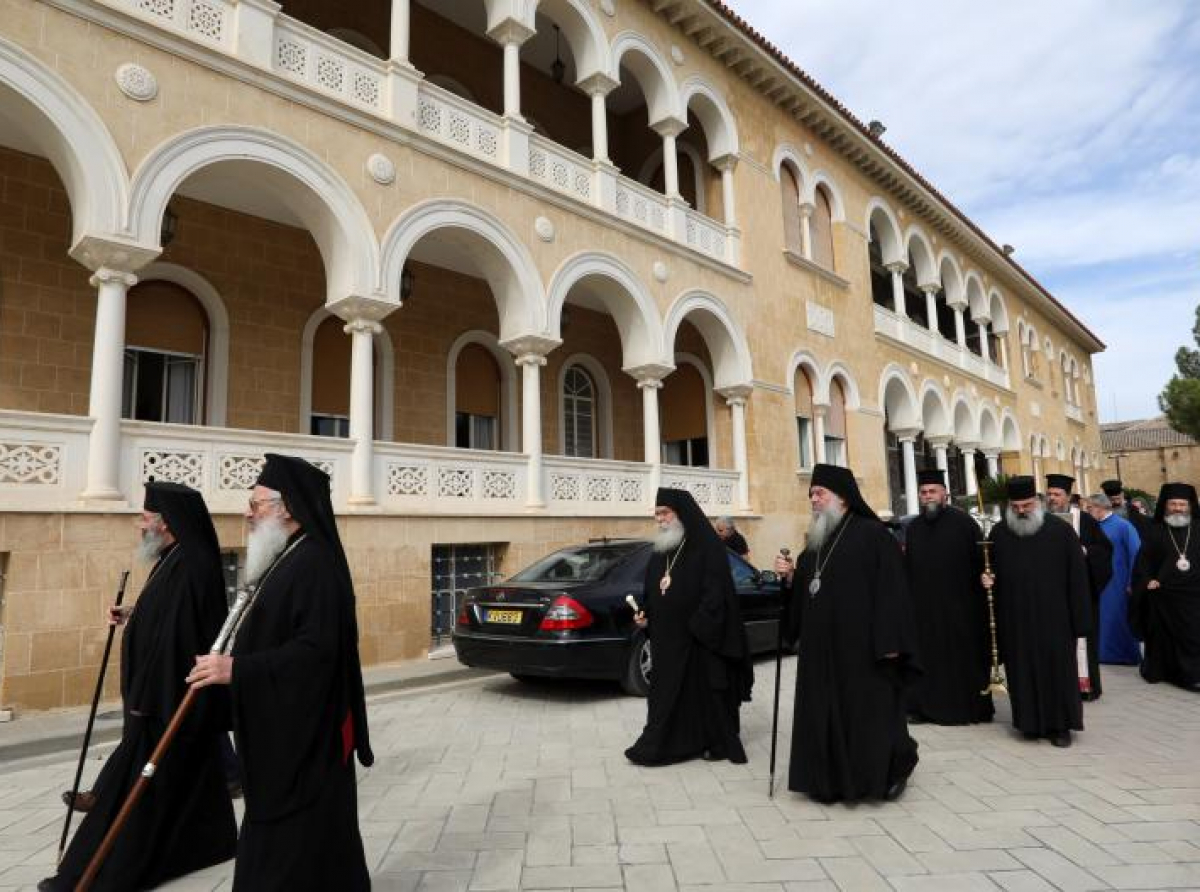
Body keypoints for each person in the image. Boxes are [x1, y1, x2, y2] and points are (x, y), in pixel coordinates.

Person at [187, 454, 373, 891]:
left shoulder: (316, 564)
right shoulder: (287, 555)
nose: (248, 513)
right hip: (282, 728)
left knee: (297, 841)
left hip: (306, 737)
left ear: (286, 507)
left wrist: (240, 669)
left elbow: (317, 654)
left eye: (256, 505)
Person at [42, 483, 237, 892]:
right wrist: (135, 612)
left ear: (167, 525)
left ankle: (98, 871)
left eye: (145, 519)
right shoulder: (173, 558)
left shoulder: (193, 563)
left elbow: (182, 638)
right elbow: (166, 617)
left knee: (140, 790)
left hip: (166, 701)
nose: (139, 526)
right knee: (191, 781)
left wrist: (148, 699)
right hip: (159, 698)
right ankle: (209, 844)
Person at [774, 463, 919, 802]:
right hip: (821, 654)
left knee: (870, 715)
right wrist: (790, 578)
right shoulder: (815, 543)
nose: (813, 500)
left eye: (819, 493)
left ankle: (888, 772)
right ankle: (829, 780)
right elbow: (806, 593)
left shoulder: (874, 536)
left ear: (842, 498)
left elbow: (893, 593)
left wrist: (892, 642)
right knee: (825, 712)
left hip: (864, 649)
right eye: (811, 494)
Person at [625, 488, 753, 766]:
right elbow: (652, 590)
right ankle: (668, 743)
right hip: (666, 641)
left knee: (704, 696)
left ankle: (709, 741)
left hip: (699, 642)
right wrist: (645, 614)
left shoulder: (708, 548)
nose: (660, 520)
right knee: (666, 696)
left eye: (664, 513)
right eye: (657, 514)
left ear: (681, 514)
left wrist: (694, 627)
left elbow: (717, 596)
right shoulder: (661, 552)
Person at [983, 476, 1091, 747]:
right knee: (1022, 671)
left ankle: (1061, 727)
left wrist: (1080, 621)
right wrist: (986, 578)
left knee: (1058, 672)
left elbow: (1078, 578)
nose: (1021, 511)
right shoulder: (998, 534)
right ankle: (1028, 724)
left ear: (1038, 502)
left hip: (1055, 618)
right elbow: (987, 570)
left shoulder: (1061, 531)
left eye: (1027, 505)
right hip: (1016, 618)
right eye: (1016, 506)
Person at [904, 468, 993, 725]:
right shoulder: (914, 528)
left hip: (960, 609)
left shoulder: (964, 523)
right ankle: (924, 708)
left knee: (960, 660)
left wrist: (986, 576)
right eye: (923, 492)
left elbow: (982, 563)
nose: (928, 496)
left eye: (933, 491)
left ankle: (966, 709)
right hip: (925, 611)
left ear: (945, 494)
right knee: (927, 659)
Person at [1045, 474, 1112, 700]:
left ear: (1068, 496)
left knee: (1083, 639)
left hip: (1080, 590)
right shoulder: (1041, 519)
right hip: (1051, 592)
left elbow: (1104, 551)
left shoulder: (1085, 520)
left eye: (1057, 494)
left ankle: (1085, 685)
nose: (1052, 498)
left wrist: (1085, 552)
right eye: (1049, 494)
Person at [1131, 483, 1200, 692]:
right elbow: (1143, 562)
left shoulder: (1198, 529)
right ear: (1165, 505)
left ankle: (1193, 674)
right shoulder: (1155, 531)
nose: (1178, 508)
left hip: (1195, 594)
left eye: (1182, 504)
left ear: (1189, 506)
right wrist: (1147, 580)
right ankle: (1172, 673)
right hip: (1166, 595)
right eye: (1173, 504)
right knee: (1168, 638)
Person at [1084, 492, 1142, 665]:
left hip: (1119, 581)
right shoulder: (1092, 526)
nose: (1087, 511)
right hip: (1096, 581)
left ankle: (1125, 655)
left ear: (1100, 508)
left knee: (1118, 617)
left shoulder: (1123, 526)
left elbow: (1136, 554)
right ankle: (1102, 654)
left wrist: (1133, 581)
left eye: (1089, 508)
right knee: (1101, 618)